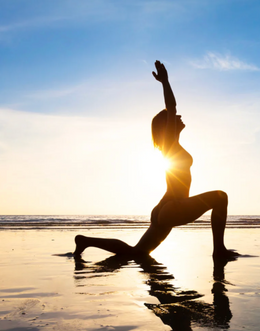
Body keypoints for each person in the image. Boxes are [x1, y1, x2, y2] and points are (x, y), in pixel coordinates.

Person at [74, 60, 238, 260]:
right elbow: (172, 106)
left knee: (137, 253)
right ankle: (219, 250)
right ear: (166, 126)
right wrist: (165, 82)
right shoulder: (169, 144)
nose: (178, 117)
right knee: (221, 197)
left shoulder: (171, 146)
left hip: (165, 207)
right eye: (172, 117)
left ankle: (86, 240)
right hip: (174, 206)